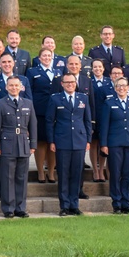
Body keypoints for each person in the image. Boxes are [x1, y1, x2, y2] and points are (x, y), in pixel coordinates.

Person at [0, 76, 37, 218]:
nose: (14, 88)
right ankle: (8, 208)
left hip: (23, 143)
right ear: (6, 87)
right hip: (7, 143)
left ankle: (20, 207)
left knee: (22, 177)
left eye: (16, 85)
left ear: (21, 87)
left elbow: (33, 125)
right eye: (11, 85)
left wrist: (33, 144)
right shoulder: (0, 104)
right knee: (7, 177)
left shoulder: (28, 103)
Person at [47, 73, 92, 216]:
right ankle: (64, 206)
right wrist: (51, 141)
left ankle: (74, 205)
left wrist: (88, 140)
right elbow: (49, 121)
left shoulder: (83, 98)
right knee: (64, 174)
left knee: (77, 174)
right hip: (62, 141)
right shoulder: (55, 98)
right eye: (67, 82)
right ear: (62, 84)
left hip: (79, 141)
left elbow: (87, 120)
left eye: (72, 82)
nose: (70, 84)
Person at [99, 78, 129, 214]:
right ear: (115, 88)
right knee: (116, 173)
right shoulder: (109, 103)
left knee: (128, 174)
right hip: (114, 143)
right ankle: (116, 203)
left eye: (124, 86)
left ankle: (126, 202)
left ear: (128, 87)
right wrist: (104, 144)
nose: (121, 88)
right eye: (118, 86)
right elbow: (104, 125)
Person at [27, 48, 62, 184]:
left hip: (56, 111)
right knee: (41, 141)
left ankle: (51, 172)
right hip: (40, 110)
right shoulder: (32, 72)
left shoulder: (58, 72)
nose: (47, 58)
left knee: (52, 142)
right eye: (44, 56)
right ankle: (41, 171)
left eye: (49, 55)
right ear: (39, 58)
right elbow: (29, 91)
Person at [89, 58, 112, 183]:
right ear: (92, 69)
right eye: (95, 67)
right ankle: (95, 170)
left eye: (100, 67)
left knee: (103, 144)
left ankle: (101, 169)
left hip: (106, 118)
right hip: (93, 117)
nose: (98, 69)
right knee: (94, 143)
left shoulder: (109, 82)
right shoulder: (88, 82)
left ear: (103, 68)